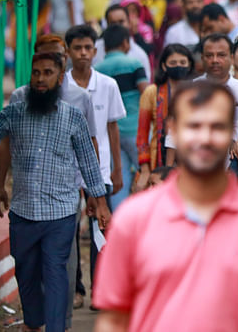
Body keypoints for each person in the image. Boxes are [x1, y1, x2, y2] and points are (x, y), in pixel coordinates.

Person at [92, 81, 238, 332]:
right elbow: (113, 319)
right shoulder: (133, 220)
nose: (205, 137)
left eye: (217, 126)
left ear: (232, 133)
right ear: (173, 129)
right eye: (193, 126)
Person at [0, 52, 110, 332]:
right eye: (36, 73)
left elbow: (88, 161)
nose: (40, 78)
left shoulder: (73, 117)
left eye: (48, 73)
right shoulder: (13, 113)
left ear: (60, 79)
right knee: (26, 272)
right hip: (23, 212)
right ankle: (34, 323)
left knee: (56, 271)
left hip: (60, 212)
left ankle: (56, 328)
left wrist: (100, 201)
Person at [65, 25, 126, 287]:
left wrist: (117, 168)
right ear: (68, 52)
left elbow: (112, 127)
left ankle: (100, 287)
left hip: (100, 168)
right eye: (77, 48)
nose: (83, 53)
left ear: (95, 50)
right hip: (66, 169)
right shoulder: (61, 86)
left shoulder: (108, 85)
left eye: (87, 48)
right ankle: (76, 288)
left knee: (101, 226)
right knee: (70, 231)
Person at [94, 25, 149, 211]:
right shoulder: (134, 64)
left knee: (119, 178)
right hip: (136, 130)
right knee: (147, 175)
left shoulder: (97, 69)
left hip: (110, 133)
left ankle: (120, 221)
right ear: (126, 42)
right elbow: (146, 93)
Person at [135, 44, 195, 189]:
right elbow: (142, 134)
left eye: (182, 63)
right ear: (163, 66)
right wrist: (145, 169)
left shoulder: (196, 91)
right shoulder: (151, 92)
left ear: (189, 65)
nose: (178, 66)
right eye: (173, 63)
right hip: (158, 162)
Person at [197, 33, 238, 144]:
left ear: (232, 58)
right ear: (202, 58)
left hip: (235, 159)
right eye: (209, 55)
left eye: (221, 55)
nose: (215, 60)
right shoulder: (189, 90)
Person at [93, 4, 152, 80]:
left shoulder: (140, 54)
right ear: (107, 25)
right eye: (113, 23)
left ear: (129, 23)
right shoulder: (94, 49)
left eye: (121, 22)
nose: (118, 26)